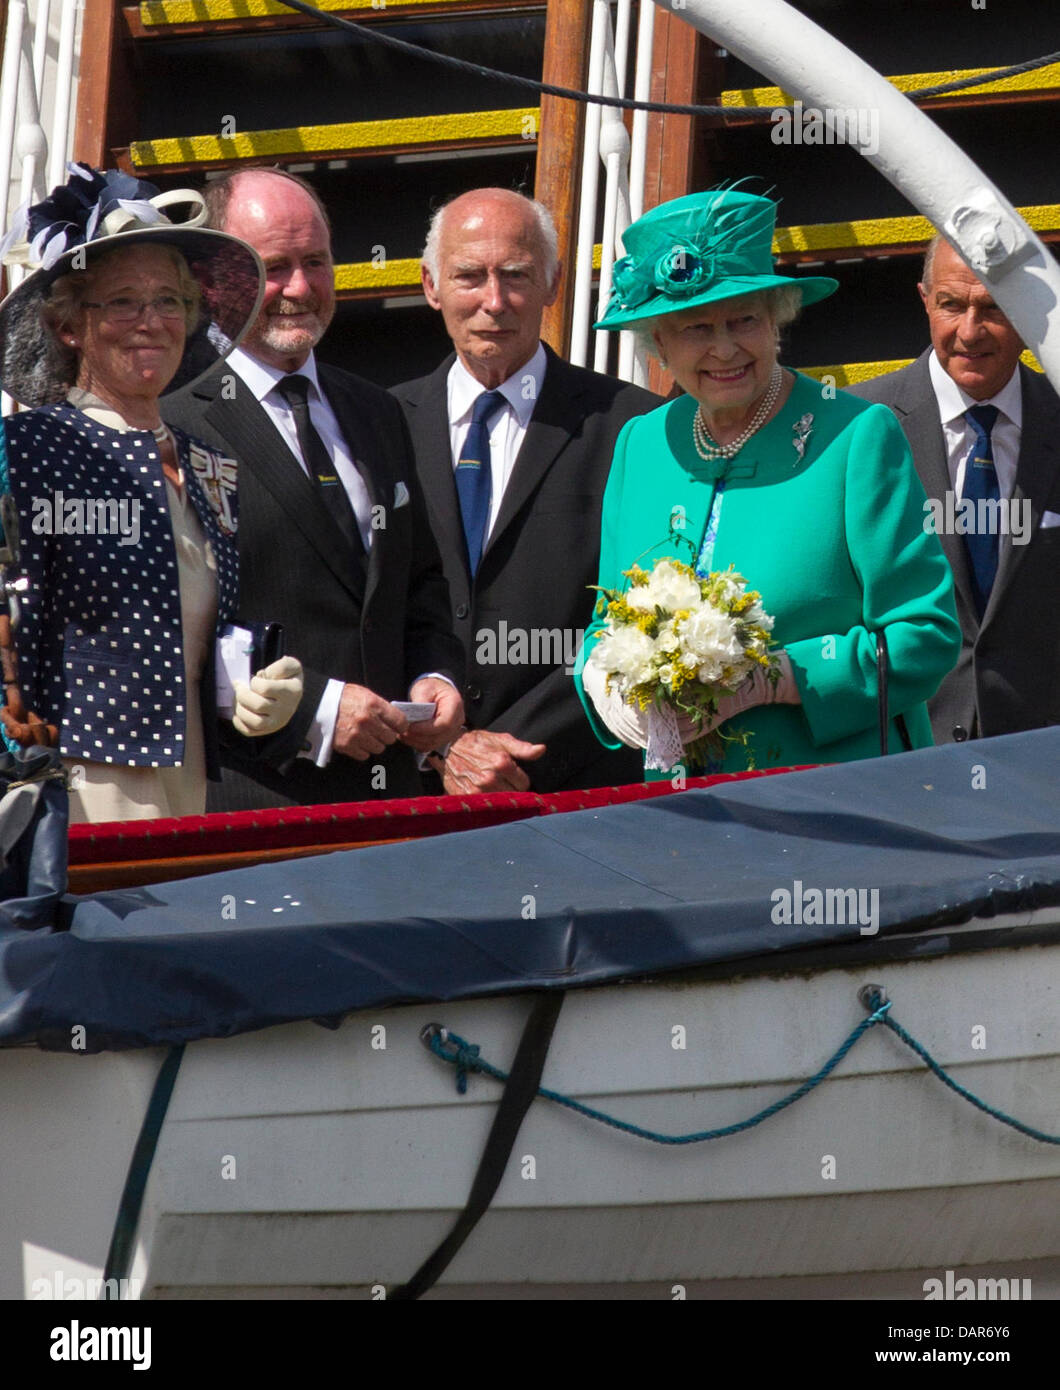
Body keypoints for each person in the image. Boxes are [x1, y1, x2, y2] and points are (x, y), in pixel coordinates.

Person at [575, 186, 962, 776]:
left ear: (777, 318)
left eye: (744, 320)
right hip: (678, 814)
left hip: (837, 800)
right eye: (696, 328)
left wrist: (772, 680)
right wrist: (605, 682)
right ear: (659, 343)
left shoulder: (856, 435)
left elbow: (925, 638)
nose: (724, 348)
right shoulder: (641, 444)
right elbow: (606, 623)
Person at [0, 165, 303, 823]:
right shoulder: (29, 448)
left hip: (191, 784)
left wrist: (244, 686)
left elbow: (193, 632)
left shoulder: (210, 465)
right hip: (77, 785)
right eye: (123, 301)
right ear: (69, 327)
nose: (151, 321)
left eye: (169, 300)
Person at [164, 169, 465, 808]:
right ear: (213, 282)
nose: (298, 288)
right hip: (253, 805)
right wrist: (315, 711)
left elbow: (421, 583)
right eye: (273, 267)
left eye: (316, 262)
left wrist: (435, 676)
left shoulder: (379, 412)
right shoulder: (176, 425)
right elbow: (170, 631)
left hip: (389, 802)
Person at [392, 188, 659, 794]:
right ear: (431, 284)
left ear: (554, 283)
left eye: (515, 275)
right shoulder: (379, 427)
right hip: (408, 791)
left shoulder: (632, 427)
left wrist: (514, 754)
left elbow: (638, 621)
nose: (494, 301)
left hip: (573, 788)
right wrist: (444, 744)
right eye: (469, 276)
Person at [848, 234, 1060, 741]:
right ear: (925, 299)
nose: (970, 331)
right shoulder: (855, 426)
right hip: (905, 750)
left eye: (993, 307)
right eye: (951, 305)